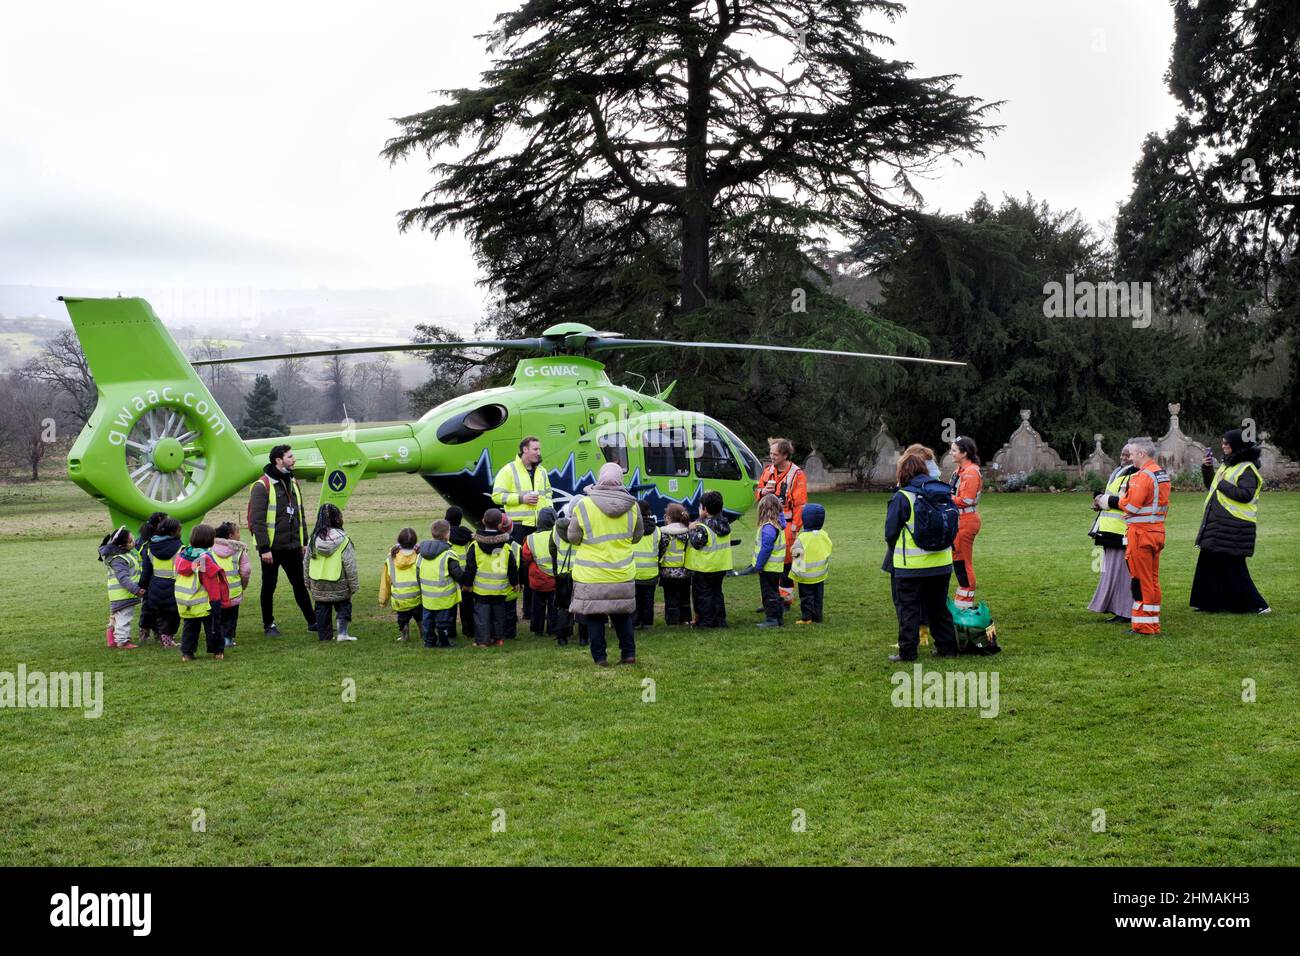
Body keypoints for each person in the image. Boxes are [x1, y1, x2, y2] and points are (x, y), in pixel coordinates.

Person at [566, 462, 643, 666]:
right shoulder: (633, 507)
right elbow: (637, 536)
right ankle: (628, 654)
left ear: (600, 478)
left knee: (594, 617)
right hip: (621, 572)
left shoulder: (583, 505)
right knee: (622, 615)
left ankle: (600, 658)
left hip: (591, 574)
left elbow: (573, 537)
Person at [885, 452, 959, 661]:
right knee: (938, 607)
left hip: (911, 566)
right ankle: (947, 648)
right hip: (942, 562)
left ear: (902, 472)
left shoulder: (903, 496)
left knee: (908, 608)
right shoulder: (942, 491)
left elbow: (890, 532)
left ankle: (908, 652)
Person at [1191, 428, 1270, 614]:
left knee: (1234, 567)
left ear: (1237, 446)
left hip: (1235, 525)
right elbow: (1212, 485)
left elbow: (1245, 495)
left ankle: (1258, 605)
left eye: (1227, 443)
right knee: (1208, 562)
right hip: (1219, 523)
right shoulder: (1229, 465)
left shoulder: (1247, 468)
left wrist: (1221, 483)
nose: (1223, 446)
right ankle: (1209, 603)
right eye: (1223, 443)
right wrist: (1207, 468)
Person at [1096, 437, 1169, 635]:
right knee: (1152, 580)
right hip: (1156, 531)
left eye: (1133, 454)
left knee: (1139, 581)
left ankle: (1143, 626)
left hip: (1141, 534)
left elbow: (1131, 506)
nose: (1131, 458)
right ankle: (1152, 622)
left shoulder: (1142, 476)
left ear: (1142, 454)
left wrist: (1108, 500)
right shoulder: (1160, 474)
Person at [247, 445, 316, 637]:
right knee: (269, 587)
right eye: (290, 457)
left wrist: (304, 541)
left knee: (300, 585)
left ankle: (313, 622)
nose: (294, 460)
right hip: (272, 549)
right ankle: (268, 625)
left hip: (293, 546)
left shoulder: (293, 483)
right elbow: (257, 521)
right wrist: (264, 549)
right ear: (278, 460)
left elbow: (300, 514)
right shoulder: (262, 486)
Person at [492, 436, 552, 622]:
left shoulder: (542, 471)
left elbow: (548, 493)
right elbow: (496, 496)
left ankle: (530, 610)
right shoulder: (508, 470)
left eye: (539, 449)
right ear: (524, 450)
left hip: (538, 527)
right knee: (518, 567)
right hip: (518, 527)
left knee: (536, 567)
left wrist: (547, 510)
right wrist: (521, 499)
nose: (538, 453)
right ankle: (511, 611)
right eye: (535, 449)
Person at [754, 437, 807, 605]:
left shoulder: (796, 474)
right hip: (767, 524)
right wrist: (763, 492)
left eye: (775, 454)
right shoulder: (768, 471)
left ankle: (784, 600)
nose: (771, 457)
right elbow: (757, 493)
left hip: (787, 525)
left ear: (785, 455)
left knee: (785, 565)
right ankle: (771, 600)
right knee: (769, 563)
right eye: (770, 453)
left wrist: (795, 528)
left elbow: (800, 504)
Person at [1088, 443, 1136, 623]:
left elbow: (1126, 500)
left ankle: (1125, 611)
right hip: (1109, 529)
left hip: (1122, 530)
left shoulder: (1134, 473)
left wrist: (1102, 500)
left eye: (1127, 455)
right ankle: (1117, 608)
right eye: (1122, 455)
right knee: (1110, 570)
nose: (1123, 459)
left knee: (1122, 572)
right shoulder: (1119, 471)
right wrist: (1099, 499)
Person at [461, 508, 519, 647]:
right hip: (500, 589)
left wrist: (467, 584)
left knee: (482, 616)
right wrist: (515, 583)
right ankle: (498, 638)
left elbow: (470, 568)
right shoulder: (506, 545)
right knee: (499, 615)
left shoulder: (475, 545)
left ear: (482, 521)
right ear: (500, 525)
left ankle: (483, 641)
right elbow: (512, 567)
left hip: (481, 590)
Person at [304, 503, 360, 642]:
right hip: (339, 582)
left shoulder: (313, 540)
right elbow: (350, 564)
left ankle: (324, 637)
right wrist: (354, 585)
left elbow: (306, 562)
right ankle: (342, 633)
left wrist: (307, 581)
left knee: (322, 608)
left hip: (318, 582)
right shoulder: (344, 540)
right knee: (344, 606)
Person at [174, 523, 229, 661]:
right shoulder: (204, 558)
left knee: (189, 628)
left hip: (186, 599)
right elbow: (210, 581)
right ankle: (217, 652)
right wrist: (216, 601)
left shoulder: (183, 555)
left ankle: (187, 653)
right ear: (209, 540)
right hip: (204, 601)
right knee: (213, 627)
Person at [733, 494, 787, 627]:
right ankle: (778, 617)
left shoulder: (768, 527)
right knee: (774, 592)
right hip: (775, 567)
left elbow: (766, 548)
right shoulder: (778, 524)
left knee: (769, 594)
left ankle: (772, 619)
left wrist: (758, 565)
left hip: (768, 567)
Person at [686, 490, 732, 628]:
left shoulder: (703, 527)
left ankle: (706, 621)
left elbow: (696, 543)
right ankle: (720, 619)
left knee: (704, 595)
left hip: (704, 567)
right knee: (717, 593)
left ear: (705, 509)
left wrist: (691, 529)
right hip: (720, 565)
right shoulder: (724, 524)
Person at [417, 519, 464, 648]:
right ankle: (444, 642)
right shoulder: (448, 554)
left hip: (427, 596)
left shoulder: (421, 554)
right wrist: (465, 580)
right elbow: (457, 574)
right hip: (444, 596)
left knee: (428, 620)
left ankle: (429, 641)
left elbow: (417, 573)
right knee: (443, 621)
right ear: (448, 534)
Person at [948, 436, 983, 610]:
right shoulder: (959, 471)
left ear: (964, 453)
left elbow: (967, 500)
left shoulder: (971, 472)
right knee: (958, 560)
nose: (951, 453)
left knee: (963, 561)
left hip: (966, 521)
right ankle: (963, 598)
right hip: (958, 520)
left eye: (954, 450)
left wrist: (946, 498)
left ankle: (965, 600)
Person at [99, 525, 146, 649]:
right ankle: (122, 641)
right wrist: (136, 590)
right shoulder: (118, 559)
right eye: (130, 541)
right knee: (124, 617)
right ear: (121, 546)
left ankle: (111, 640)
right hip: (123, 594)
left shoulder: (126, 554)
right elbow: (123, 578)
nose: (133, 542)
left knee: (115, 617)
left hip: (119, 594)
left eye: (133, 539)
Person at [143, 516, 183, 649]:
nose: (180, 533)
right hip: (174, 586)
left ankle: (163, 637)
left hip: (155, 585)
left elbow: (146, 570)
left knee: (160, 614)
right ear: (172, 532)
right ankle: (167, 638)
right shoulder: (180, 547)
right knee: (173, 615)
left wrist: (142, 586)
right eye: (179, 530)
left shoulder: (150, 546)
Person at [211, 522, 252, 648]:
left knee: (217, 617)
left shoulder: (210, 549)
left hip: (215, 592)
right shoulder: (239, 551)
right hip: (233, 592)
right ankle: (228, 639)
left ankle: (215, 638)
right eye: (238, 532)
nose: (240, 534)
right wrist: (243, 585)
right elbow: (245, 572)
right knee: (231, 618)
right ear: (231, 536)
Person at [790, 502, 832, 624]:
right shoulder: (824, 535)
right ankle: (817, 617)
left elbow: (797, 559)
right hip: (820, 575)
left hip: (805, 576)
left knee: (806, 597)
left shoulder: (802, 538)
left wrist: (795, 574)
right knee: (818, 597)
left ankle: (807, 618)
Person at [379, 527, 423, 642]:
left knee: (403, 619)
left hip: (400, 599)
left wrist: (383, 600)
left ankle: (405, 636)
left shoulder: (391, 558)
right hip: (418, 597)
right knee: (420, 618)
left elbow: (385, 581)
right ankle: (424, 634)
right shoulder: (420, 556)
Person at [522, 507, 560, 637]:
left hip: (538, 579)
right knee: (554, 605)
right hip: (555, 578)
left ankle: (537, 629)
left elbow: (526, 558)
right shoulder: (557, 536)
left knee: (537, 605)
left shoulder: (530, 538)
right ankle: (553, 629)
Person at [133, 510, 167, 644]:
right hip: (150, 578)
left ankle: (156, 631)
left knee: (155, 607)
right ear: (159, 522)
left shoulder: (150, 538)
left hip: (154, 578)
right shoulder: (146, 542)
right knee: (148, 607)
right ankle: (146, 630)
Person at [658, 502, 692, 626]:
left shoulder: (664, 533)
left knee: (670, 598)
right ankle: (685, 619)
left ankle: (672, 620)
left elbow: (661, 550)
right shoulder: (688, 532)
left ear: (668, 518)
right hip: (685, 571)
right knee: (684, 597)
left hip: (668, 572)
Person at [445, 506, 475, 641]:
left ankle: (450, 632)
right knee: (467, 606)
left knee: (450, 606)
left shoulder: (444, 534)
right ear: (460, 519)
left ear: (446, 519)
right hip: (466, 575)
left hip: (449, 575)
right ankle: (469, 631)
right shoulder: (467, 534)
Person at [551, 507, 578, 645]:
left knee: (564, 606)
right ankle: (584, 637)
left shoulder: (556, 529)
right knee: (583, 605)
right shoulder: (584, 527)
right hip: (582, 571)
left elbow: (552, 549)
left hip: (563, 573)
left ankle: (562, 637)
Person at [632, 500, 660, 629]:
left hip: (634, 571)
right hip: (651, 572)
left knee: (635, 600)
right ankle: (648, 623)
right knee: (649, 600)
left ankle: (635, 622)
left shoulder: (631, 529)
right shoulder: (657, 531)